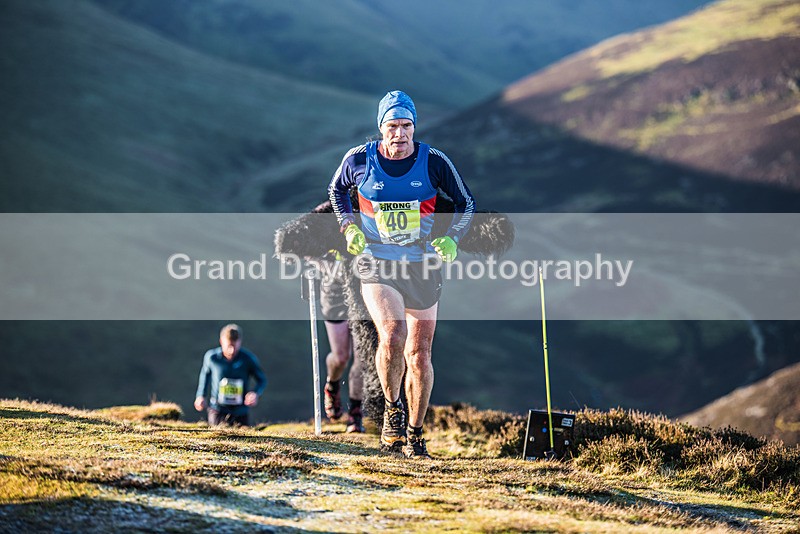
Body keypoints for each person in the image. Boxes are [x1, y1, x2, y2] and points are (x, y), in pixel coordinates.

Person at [327, 90, 475, 458]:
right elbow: (336, 190)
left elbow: (466, 203)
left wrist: (453, 239)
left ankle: (415, 432)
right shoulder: (359, 159)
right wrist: (349, 227)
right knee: (393, 334)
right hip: (376, 261)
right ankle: (392, 411)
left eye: (406, 125)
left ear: (414, 127)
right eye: (392, 125)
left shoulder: (433, 161)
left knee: (420, 354)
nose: (400, 133)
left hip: (422, 264)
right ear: (381, 128)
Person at [319, 252, 365, 433]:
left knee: (362, 360)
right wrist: (334, 269)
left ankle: (355, 414)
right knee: (341, 357)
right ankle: (332, 385)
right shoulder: (324, 223)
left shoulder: (369, 222)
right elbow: (306, 249)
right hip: (335, 294)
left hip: (365, 291)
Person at [194, 324, 266, 427]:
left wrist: (255, 393)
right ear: (221, 342)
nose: (231, 351)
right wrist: (200, 396)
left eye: (235, 346)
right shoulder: (212, 358)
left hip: (241, 412)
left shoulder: (248, 359)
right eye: (228, 346)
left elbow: (262, 380)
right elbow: (204, 376)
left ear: (240, 342)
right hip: (217, 410)